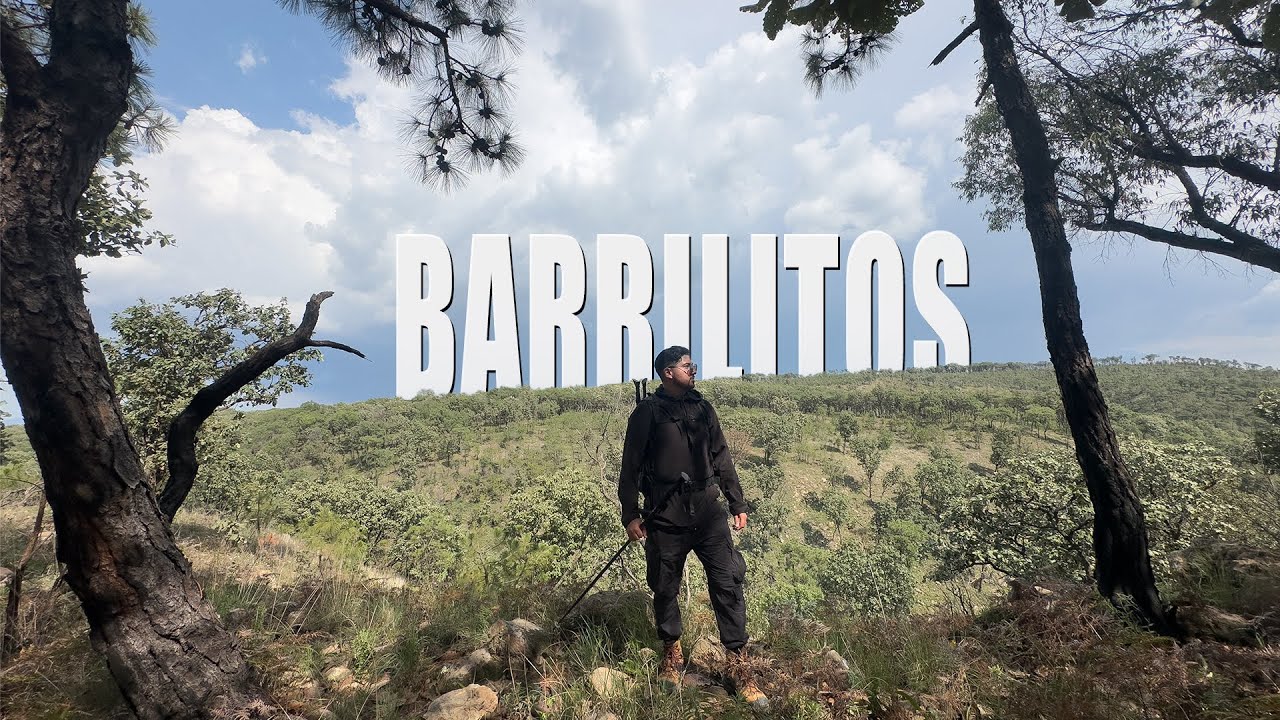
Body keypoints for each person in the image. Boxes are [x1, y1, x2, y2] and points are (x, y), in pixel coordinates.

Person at [618, 346, 769, 710]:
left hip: (708, 512)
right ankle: (671, 655)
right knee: (665, 587)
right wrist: (630, 514)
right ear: (668, 372)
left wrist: (737, 503)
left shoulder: (703, 408)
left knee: (728, 582)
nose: (694, 370)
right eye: (688, 366)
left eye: (693, 365)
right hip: (664, 515)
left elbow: (721, 455)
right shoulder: (646, 413)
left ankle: (738, 666)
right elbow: (630, 465)